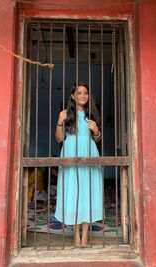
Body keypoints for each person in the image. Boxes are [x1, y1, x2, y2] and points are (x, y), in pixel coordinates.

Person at [54, 82, 103, 247]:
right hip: (70, 154)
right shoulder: (65, 114)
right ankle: (75, 236)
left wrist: (96, 130)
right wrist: (60, 122)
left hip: (89, 154)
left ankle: (85, 237)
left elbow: (97, 139)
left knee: (87, 192)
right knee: (73, 192)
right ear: (73, 96)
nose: (83, 96)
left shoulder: (92, 115)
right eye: (79, 93)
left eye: (86, 93)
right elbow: (59, 139)